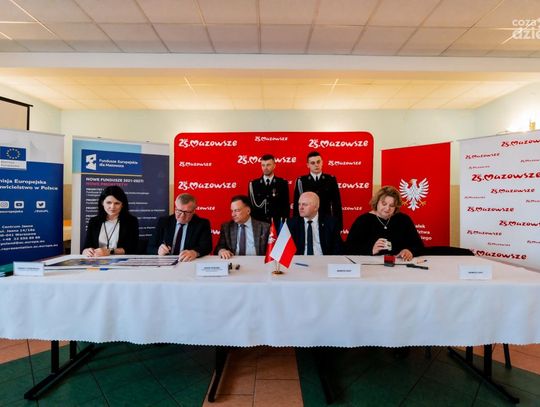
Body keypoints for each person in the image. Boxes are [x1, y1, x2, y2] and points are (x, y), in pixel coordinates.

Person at [346, 186, 423, 260]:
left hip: (399, 265)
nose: (387, 208)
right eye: (384, 204)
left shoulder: (404, 220)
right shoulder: (362, 221)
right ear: (377, 202)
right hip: (370, 266)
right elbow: (348, 249)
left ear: (396, 207)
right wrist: (371, 250)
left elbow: (419, 246)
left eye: (392, 205)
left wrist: (409, 251)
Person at [147, 193, 212, 262]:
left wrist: (194, 252)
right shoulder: (164, 221)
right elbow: (150, 247)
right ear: (175, 208)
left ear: (193, 211)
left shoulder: (202, 224)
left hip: (188, 262)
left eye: (187, 212)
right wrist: (158, 250)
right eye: (179, 211)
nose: (182, 216)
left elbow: (207, 247)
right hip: (166, 262)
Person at [82, 185, 139, 257]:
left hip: (121, 261)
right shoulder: (94, 221)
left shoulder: (131, 221)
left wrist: (110, 251)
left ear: (122, 205)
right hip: (97, 260)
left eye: (117, 203)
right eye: (108, 202)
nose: (112, 207)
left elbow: (132, 248)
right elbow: (86, 247)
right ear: (102, 203)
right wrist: (86, 251)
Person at [293, 151, 342, 230]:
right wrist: (296, 225)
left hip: (326, 221)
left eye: (318, 162)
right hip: (307, 221)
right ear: (308, 165)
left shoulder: (330, 180)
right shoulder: (301, 181)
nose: (316, 165)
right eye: (313, 163)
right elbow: (297, 205)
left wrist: (338, 226)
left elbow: (336, 204)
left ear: (322, 162)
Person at [215, 195, 270, 259]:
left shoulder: (265, 227)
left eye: (237, 210)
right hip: (234, 262)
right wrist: (222, 251)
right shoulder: (226, 227)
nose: (233, 214)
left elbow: (272, 250)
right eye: (232, 211)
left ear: (248, 211)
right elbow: (219, 247)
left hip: (257, 262)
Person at [248, 154, 290, 226]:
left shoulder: (282, 183)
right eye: (263, 165)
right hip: (259, 224)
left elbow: (285, 207)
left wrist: (284, 225)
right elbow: (251, 207)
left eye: (268, 165)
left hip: (277, 224)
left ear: (274, 165)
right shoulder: (253, 184)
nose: (265, 168)